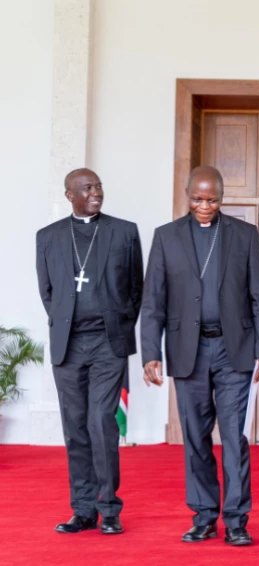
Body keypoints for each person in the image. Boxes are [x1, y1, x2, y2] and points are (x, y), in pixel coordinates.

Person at [140, 165, 259, 546]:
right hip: (188, 353)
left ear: (222, 197)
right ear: (187, 194)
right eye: (197, 199)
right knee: (196, 438)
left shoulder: (244, 235)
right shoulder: (166, 237)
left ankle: (236, 520)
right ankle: (203, 515)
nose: (204, 205)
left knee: (234, 438)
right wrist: (151, 352)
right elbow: (153, 301)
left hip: (236, 352)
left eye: (212, 199)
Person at [36, 168, 143, 535]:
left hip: (107, 343)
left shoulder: (124, 232)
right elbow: (47, 291)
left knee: (101, 422)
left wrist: (117, 325)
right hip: (68, 345)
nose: (95, 192)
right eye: (87, 188)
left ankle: (109, 508)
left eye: (98, 186)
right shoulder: (48, 237)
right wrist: (68, 323)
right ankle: (82, 510)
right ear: (70, 195)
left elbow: (135, 289)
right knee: (75, 427)